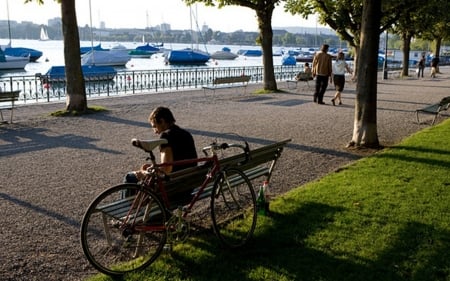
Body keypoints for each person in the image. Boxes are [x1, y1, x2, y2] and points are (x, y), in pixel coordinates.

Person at [125, 106, 198, 183]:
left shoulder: (166, 137)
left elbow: (166, 169)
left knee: (129, 177)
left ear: (162, 121)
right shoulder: (186, 134)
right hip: (188, 181)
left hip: (173, 185)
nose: (155, 131)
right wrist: (152, 167)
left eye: (155, 126)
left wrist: (143, 173)